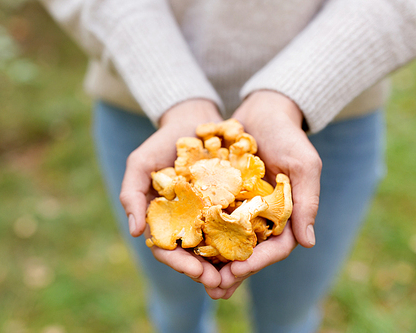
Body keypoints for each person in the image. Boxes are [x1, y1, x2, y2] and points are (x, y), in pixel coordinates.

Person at [40, 1, 416, 332]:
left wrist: (291, 94)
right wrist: (173, 92)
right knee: (174, 309)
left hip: (337, 107)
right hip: (140, 100)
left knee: (290, 316)